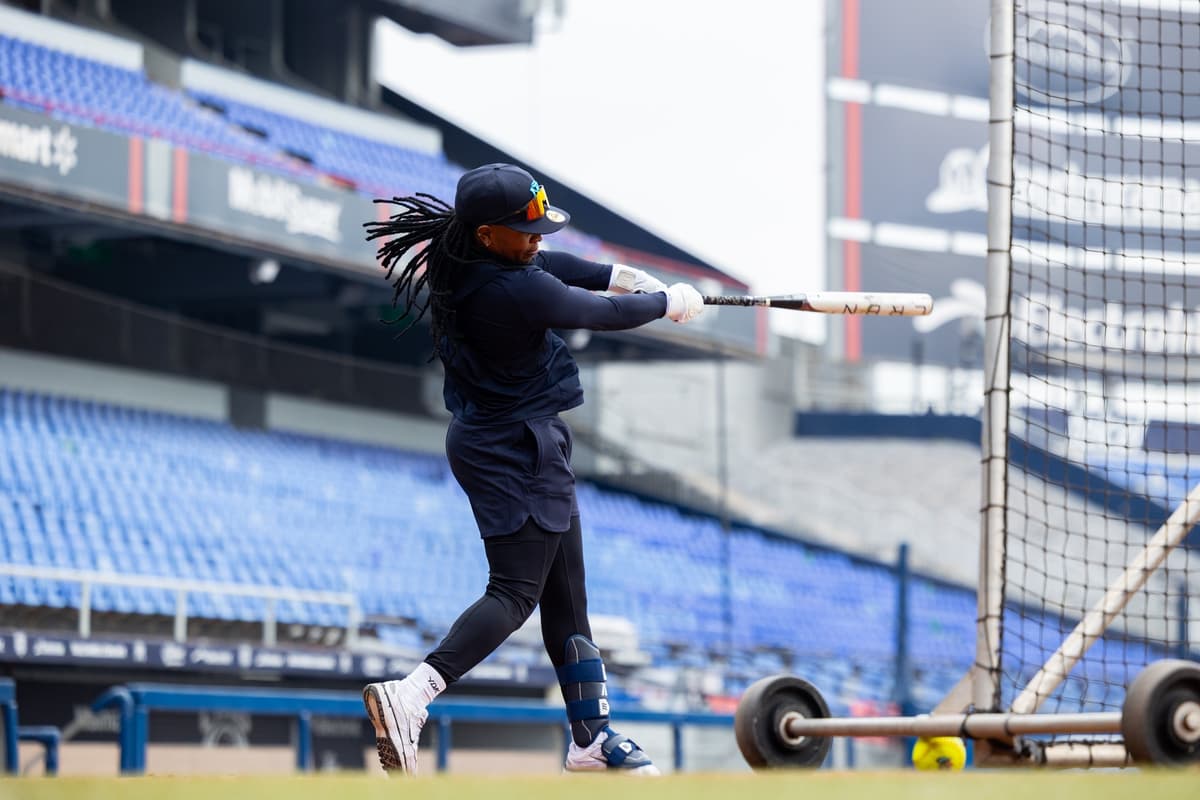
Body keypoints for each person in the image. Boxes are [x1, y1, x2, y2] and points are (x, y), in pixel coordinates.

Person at [360, 163, 705, 776]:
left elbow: (557, 267)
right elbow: (594, 313)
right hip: (513, 448)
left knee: (567, 595)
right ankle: (412, 694)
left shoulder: (472, 255)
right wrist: (662, 302)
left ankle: (590, 739)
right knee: (516, 592)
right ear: (488, 234)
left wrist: (615, 274)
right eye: (526, 230)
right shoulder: (508, 290)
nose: (538, 238)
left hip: (516, 438)